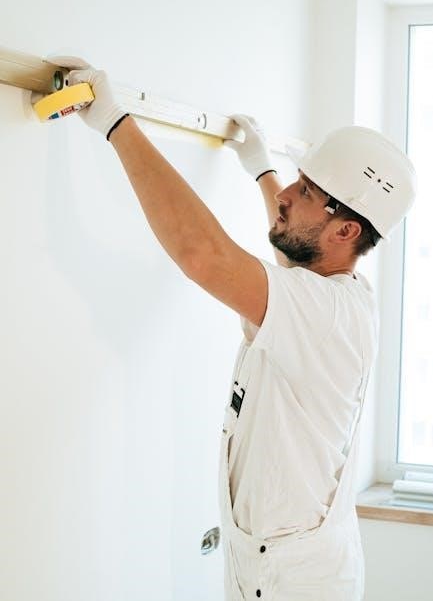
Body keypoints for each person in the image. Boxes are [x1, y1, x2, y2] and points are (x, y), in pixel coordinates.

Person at [47, 57, 417, 600]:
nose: (287, 196)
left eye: (305, 192)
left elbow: (203, 254)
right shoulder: (325, 287)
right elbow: (293, 254)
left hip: (296, 580)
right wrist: (263, 171)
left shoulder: (328, 315)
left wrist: (115, 123)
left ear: (345, 231)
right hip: (273, 559)